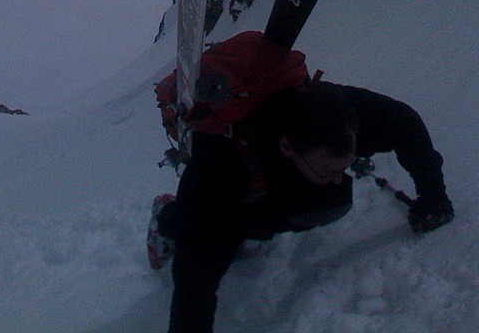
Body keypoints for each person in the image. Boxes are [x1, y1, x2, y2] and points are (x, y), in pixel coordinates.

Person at [148, 80, 454, 333]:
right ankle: (164, 218)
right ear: (287, 148)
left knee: (329, 202)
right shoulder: (219, 173)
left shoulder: (342, 113)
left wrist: (433, 197)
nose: (339, 180)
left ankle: (247, 227)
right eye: (329, 171)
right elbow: (193, 287)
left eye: (344, 168)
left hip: (277, 177)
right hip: (227, 184)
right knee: (209, 228)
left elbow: (406, 123)